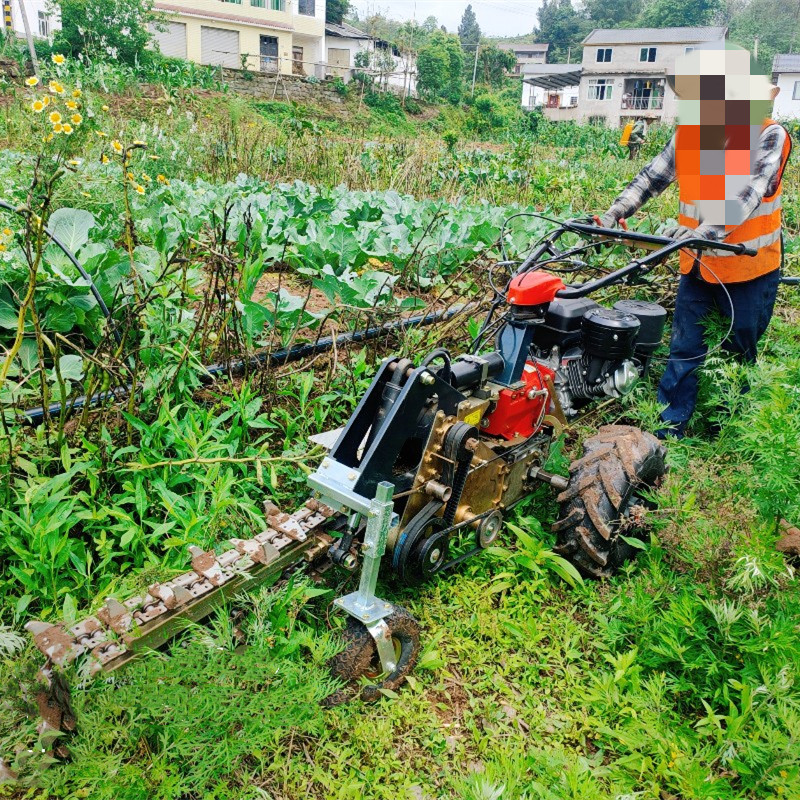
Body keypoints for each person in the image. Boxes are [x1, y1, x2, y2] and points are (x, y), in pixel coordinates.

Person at [597, 42, 791, 439]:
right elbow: (652, 178)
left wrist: (698, 233)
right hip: (698, 266)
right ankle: (670, 429)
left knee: (738, 354)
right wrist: (615, 212)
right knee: (685, 349)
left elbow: (746, 197)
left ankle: (725, 429)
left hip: (749, 268)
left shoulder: (769, 135)